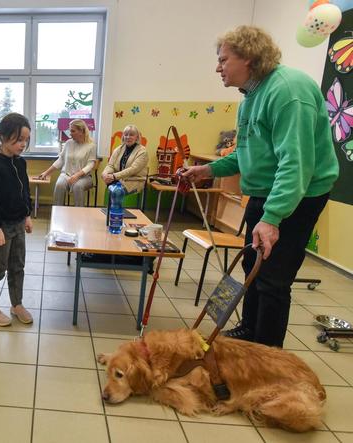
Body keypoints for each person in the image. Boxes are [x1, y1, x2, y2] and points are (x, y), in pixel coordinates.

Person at [183, 25, 339, 348]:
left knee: (272, 280)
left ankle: (266, 357)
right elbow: (245, 156)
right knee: (252, 265)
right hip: (266, 193)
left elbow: (296, 165)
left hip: (298, 196)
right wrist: (206, 170)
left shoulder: (287, 91)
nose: (218, 67)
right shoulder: (249, 99)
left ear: (249, 58)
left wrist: (272, 217)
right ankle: (248, 333)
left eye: (223, 59)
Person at [0, 113, 33, 326]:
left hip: (18, 223)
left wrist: (27, 215)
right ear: (3, 137)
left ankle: (16, 304)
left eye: (26, 140)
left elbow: (24, 190)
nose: (23, 145)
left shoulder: (20, 163)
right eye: (18, 140)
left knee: (17, 266)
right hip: (1, 227)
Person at [37, 119, 97, 207]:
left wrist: (76, 176)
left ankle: (79, 214)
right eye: (70, 131)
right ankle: (57, 214)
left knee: (77, 186)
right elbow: (60, 160)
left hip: (84, 177)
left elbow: (90, 165)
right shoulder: (68, 143)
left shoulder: (91, 146)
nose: (70, 133)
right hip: (66, 175)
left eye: (73, 131)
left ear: (81, 131)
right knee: (59, 185)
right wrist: (46, 173)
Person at [102, 124, 149, 194]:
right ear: (123, 136)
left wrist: (114, 176)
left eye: (131, 135)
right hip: (119, 179)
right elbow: (110, 165)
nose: (128, 137)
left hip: (134, 180)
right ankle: (112, 205)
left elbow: (133, 169)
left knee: (116, 192)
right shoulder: (118, 149)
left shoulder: (143, 151)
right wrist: (105, 174)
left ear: (137, 137)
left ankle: (114, 205)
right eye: (126, 134)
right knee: (112, 189)